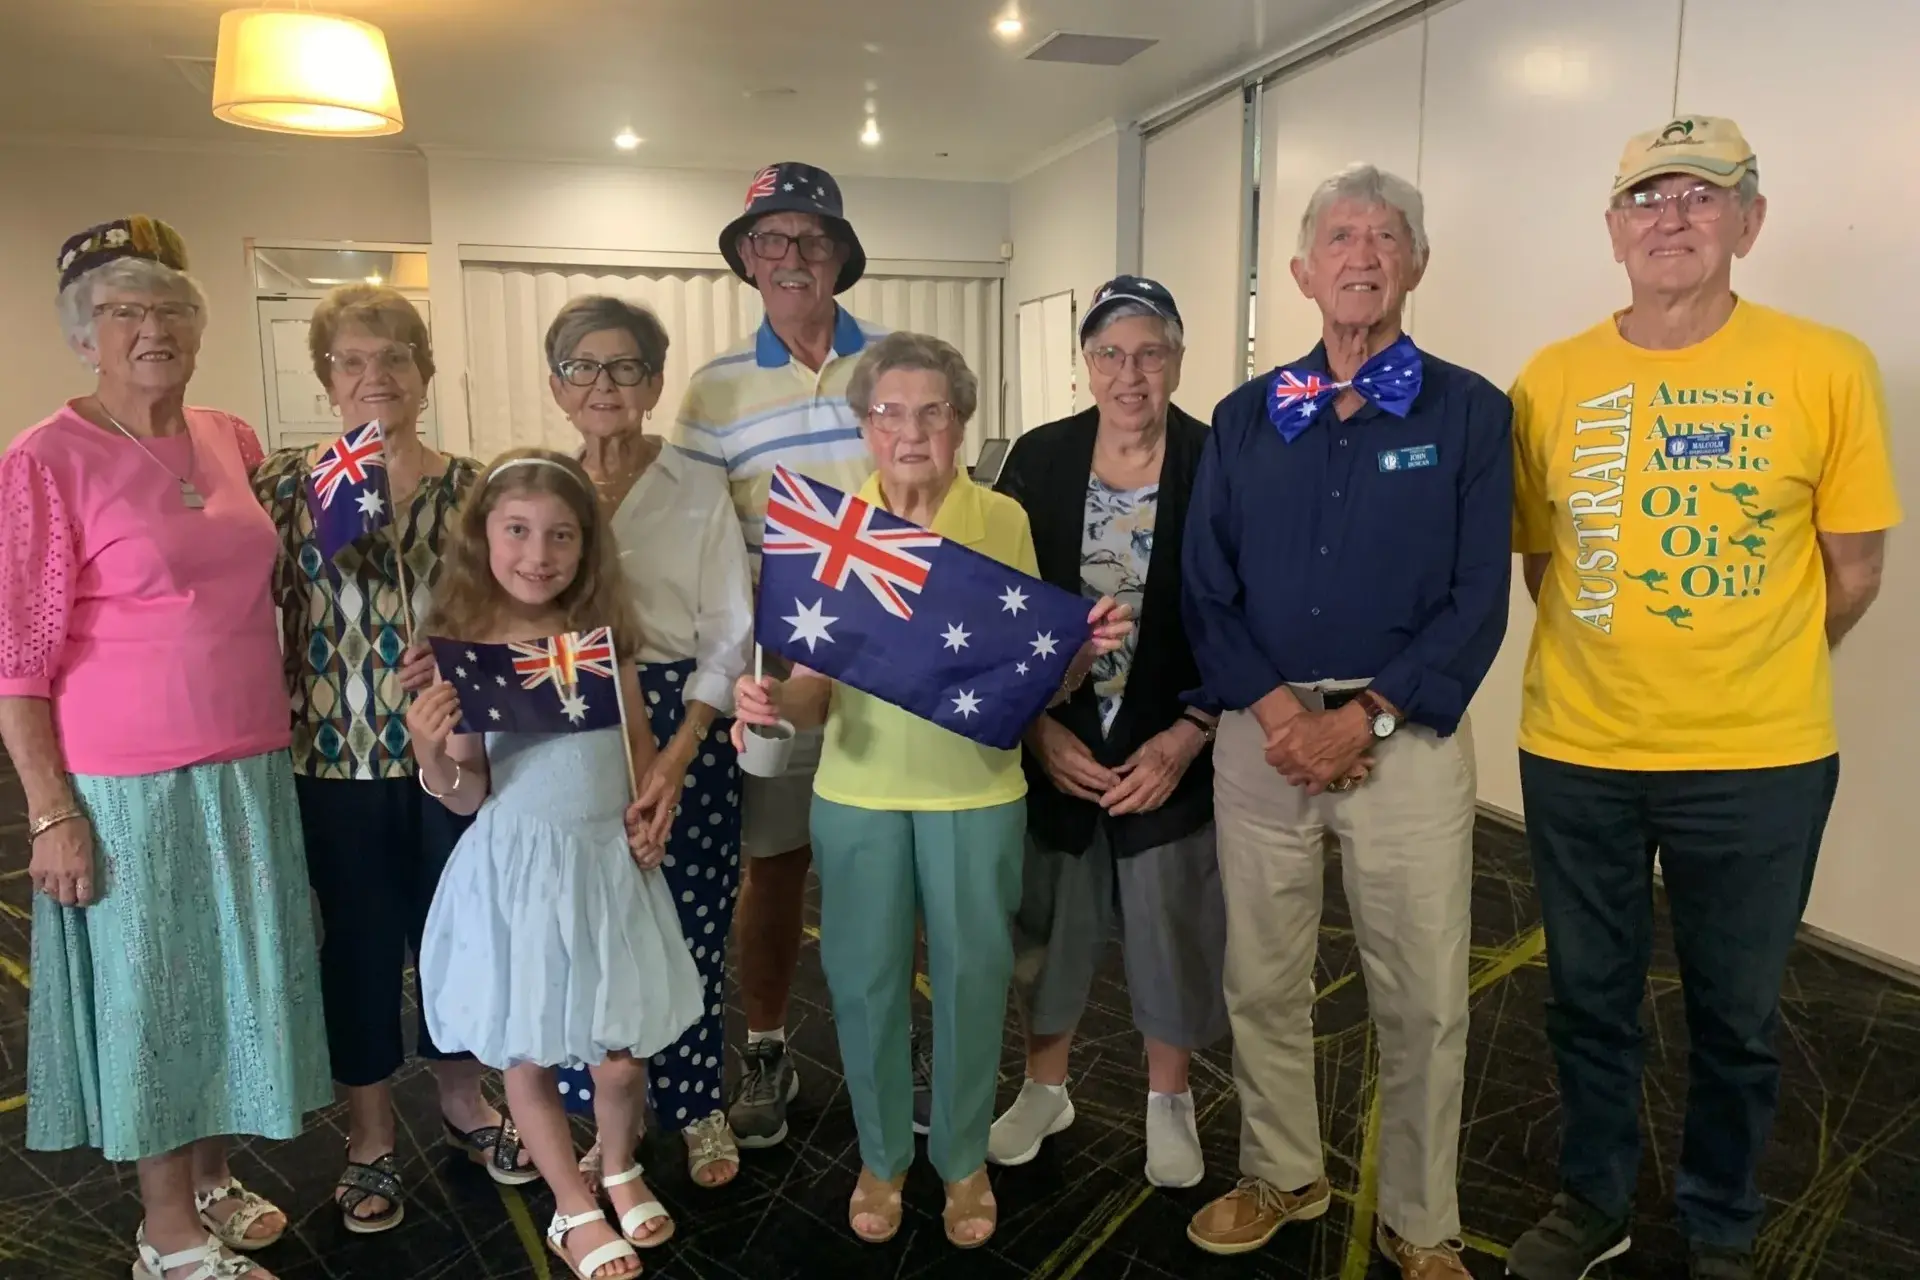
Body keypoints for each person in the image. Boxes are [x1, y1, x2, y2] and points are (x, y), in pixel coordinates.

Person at [1502, 118, 1900, 1280]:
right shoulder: (1552, 377)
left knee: (1738, 1014)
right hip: (1578, 750)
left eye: (1700, 195)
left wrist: (1757, 659)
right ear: (1614, 228)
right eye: (1646, 197)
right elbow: (1544, 563)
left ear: (1749, 221)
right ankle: (1595, 1199)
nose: (1670, 216)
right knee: (1587, 1000)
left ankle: (1723, 1218)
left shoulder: (1825, 366)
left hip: (1761, 758)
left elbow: (1856, 567)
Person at [1181, 164, 1513, 1279]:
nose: (1361, 255)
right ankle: (1284, 1169)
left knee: (1420, 993)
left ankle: (1422, 1219)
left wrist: (1361, 718)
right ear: (1301, 270)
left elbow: (1477, 598)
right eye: (1339, 236)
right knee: (1263, 976)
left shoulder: (1468, 410)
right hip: (1262, 737)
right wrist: (1284, 714)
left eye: (1384, 237)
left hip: (1403, 741)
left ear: (1415, 263)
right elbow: (1205, 587)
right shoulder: (1245, 415)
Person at [730, 332, 1131, 1249]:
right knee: (864, 984)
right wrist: (771, 700)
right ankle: (882, 1157)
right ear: (865, 427)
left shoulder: (1004, 523)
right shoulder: (833, 530)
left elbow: (1033, 680)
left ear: (961, 424)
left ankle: (960, 1161)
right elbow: (812, 690)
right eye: (891, 413)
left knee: (972, 983)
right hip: (859, 793)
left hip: (978, 796)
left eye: (934, 413)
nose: (912, 432)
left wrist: (1076, 655)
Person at [1, 216, 331, 1280]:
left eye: (173, 309)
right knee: (154, 994)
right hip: (125, 779)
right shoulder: (45, 458)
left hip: (247, 760)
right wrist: (51, 808)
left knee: (236, 976)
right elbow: (17, 657)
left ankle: (213, 1179)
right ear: (83, 335)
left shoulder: (230, 436)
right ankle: (167, 1233)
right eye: (124, 311)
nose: (154, 328)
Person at [255, 284, 533, 1235]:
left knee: (458, 938)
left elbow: (518, 604)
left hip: (451, 750)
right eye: (351, 362)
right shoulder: (289, 487)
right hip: (329, 760)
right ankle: (370, 1135)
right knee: (362, 949)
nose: (375, 377)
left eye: (393, 359)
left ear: (423, 371)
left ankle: (462, 1099)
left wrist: (462, 648)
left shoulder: (477, 486)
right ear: (326, 377)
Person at [412, 449, 702, 1280]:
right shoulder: (469, 649)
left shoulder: (601, 642)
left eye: (559, 536)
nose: (537, 554)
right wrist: (433, 748)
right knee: (529, 1052)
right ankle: (571, 1204)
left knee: (622, 1054)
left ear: (585, 548)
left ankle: (618, 1162)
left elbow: (638, 750)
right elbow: (466, 792)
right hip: (521, 873)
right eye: (517, 531)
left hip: (606, 865)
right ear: (484, 538)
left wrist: (655, 808)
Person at [673, 160, 912, 1148]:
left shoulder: (899, 362)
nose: (792, 258)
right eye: (770, 240)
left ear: (841, 259)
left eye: (812, 239)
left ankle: (886, 1049)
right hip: (777, 670)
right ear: (747, 261)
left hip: (897, 667)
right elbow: (696, 536)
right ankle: (766, 1043)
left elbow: (935, 497)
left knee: (889, 867)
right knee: (773, 867)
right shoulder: (717, 388)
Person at [989, 276, 1226, 1189]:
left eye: (1151, 352)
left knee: (1172, 922)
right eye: (1111, 354)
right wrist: (1038, 727)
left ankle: (1170, 1101)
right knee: (1049, 920)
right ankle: (1046, 1087)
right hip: (1061, 737)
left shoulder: (1217, 458)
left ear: (1176, 358)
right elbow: (999, 605)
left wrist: (1191, 731)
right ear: (1085, 363)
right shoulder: (1038, 461)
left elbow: (1239, 609)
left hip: (1174, 733)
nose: (1131, 373)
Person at [546, 295, 755, 1189]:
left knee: (690, 923)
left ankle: (699, 1101)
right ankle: (595, 1115)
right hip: (567, 718)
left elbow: (728, 632)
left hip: (689, 717)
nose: (605, 385)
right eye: (583, 367)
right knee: (585, 928)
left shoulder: (697, 486)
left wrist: (676, 754)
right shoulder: (537, 491)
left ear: (655, 382)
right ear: (558, 386)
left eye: (625, 367)